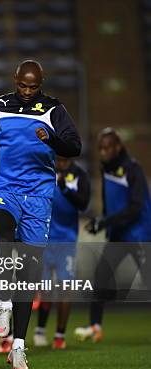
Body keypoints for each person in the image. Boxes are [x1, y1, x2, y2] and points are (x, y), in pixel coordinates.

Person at [0, 60, 81, 369]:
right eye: (22, 86)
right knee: (3, 234)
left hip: (38, 196)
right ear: (15, 80)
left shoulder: (53, 110)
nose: (27, 92)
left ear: (41, 83)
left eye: (33, 87)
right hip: (4, 188)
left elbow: (74, 146)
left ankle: (19, 346)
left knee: (29, 273)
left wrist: (50, 139)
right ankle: (4, 304)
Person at [75, 128, 151, 342]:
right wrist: (102, 224)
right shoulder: (105, 168)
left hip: (139, 235)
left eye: (108, 147)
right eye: (101, 148)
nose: (104, 152)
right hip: (118, 234)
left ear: (117, 147)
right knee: (100, 276)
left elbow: (136, 207)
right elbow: (110, 205)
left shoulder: (132, 169)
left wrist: (106, 221)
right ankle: (95, 327)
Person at [34, 156, 90, 350]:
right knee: (45, 289)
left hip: (66, 242)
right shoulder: (44, 169)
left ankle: (59, 335)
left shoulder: (79, 175)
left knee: (65, 289)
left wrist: (64, 187)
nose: (61, 160)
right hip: (44, 239)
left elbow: (84, 203)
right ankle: (40, 330)